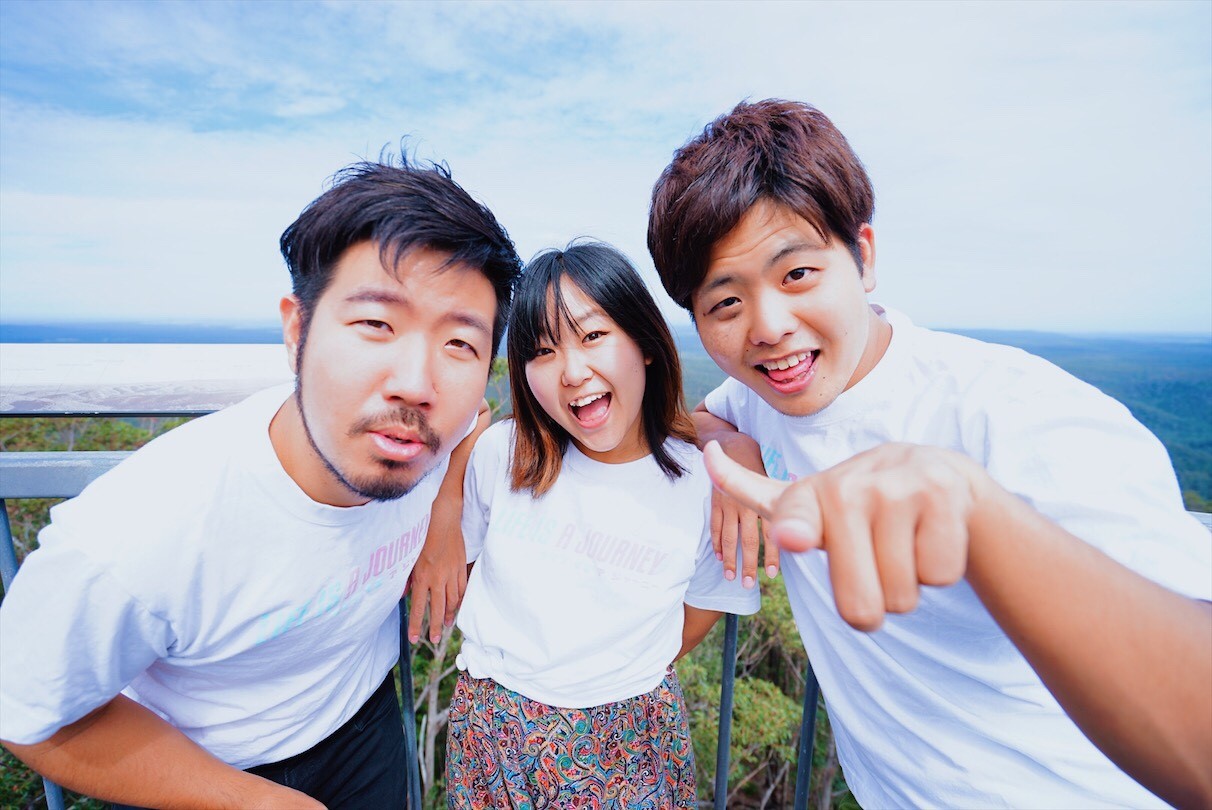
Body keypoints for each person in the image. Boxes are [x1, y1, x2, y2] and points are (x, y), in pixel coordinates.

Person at [646, 99, 1212, 809]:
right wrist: (729, 447)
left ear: (864, 257)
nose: (768, 327)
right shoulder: (757, 398)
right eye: (725, 304)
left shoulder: (1017, 415)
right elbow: (700, 415)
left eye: (797, 275)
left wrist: (976, 513)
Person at [0, 155, 521, 808]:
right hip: (195, 765)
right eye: (376, 324)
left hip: (363, 719)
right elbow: (27, 709)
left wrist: (444, 520)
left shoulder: (436, 431)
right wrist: (251, 800)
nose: (417, 384)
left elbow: (475, 419)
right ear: (298, 330)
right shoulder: (140, 534)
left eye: (460, 345)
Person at [444, 242, 759, 808]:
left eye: (593, 336)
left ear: (645, 344)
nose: (572, 372)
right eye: (543, 350)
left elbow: (707, 603)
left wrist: (615, 674)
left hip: (633, 738)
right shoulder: (502, 455)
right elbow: (463, 563)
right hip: (493, 732)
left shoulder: (705, 483)